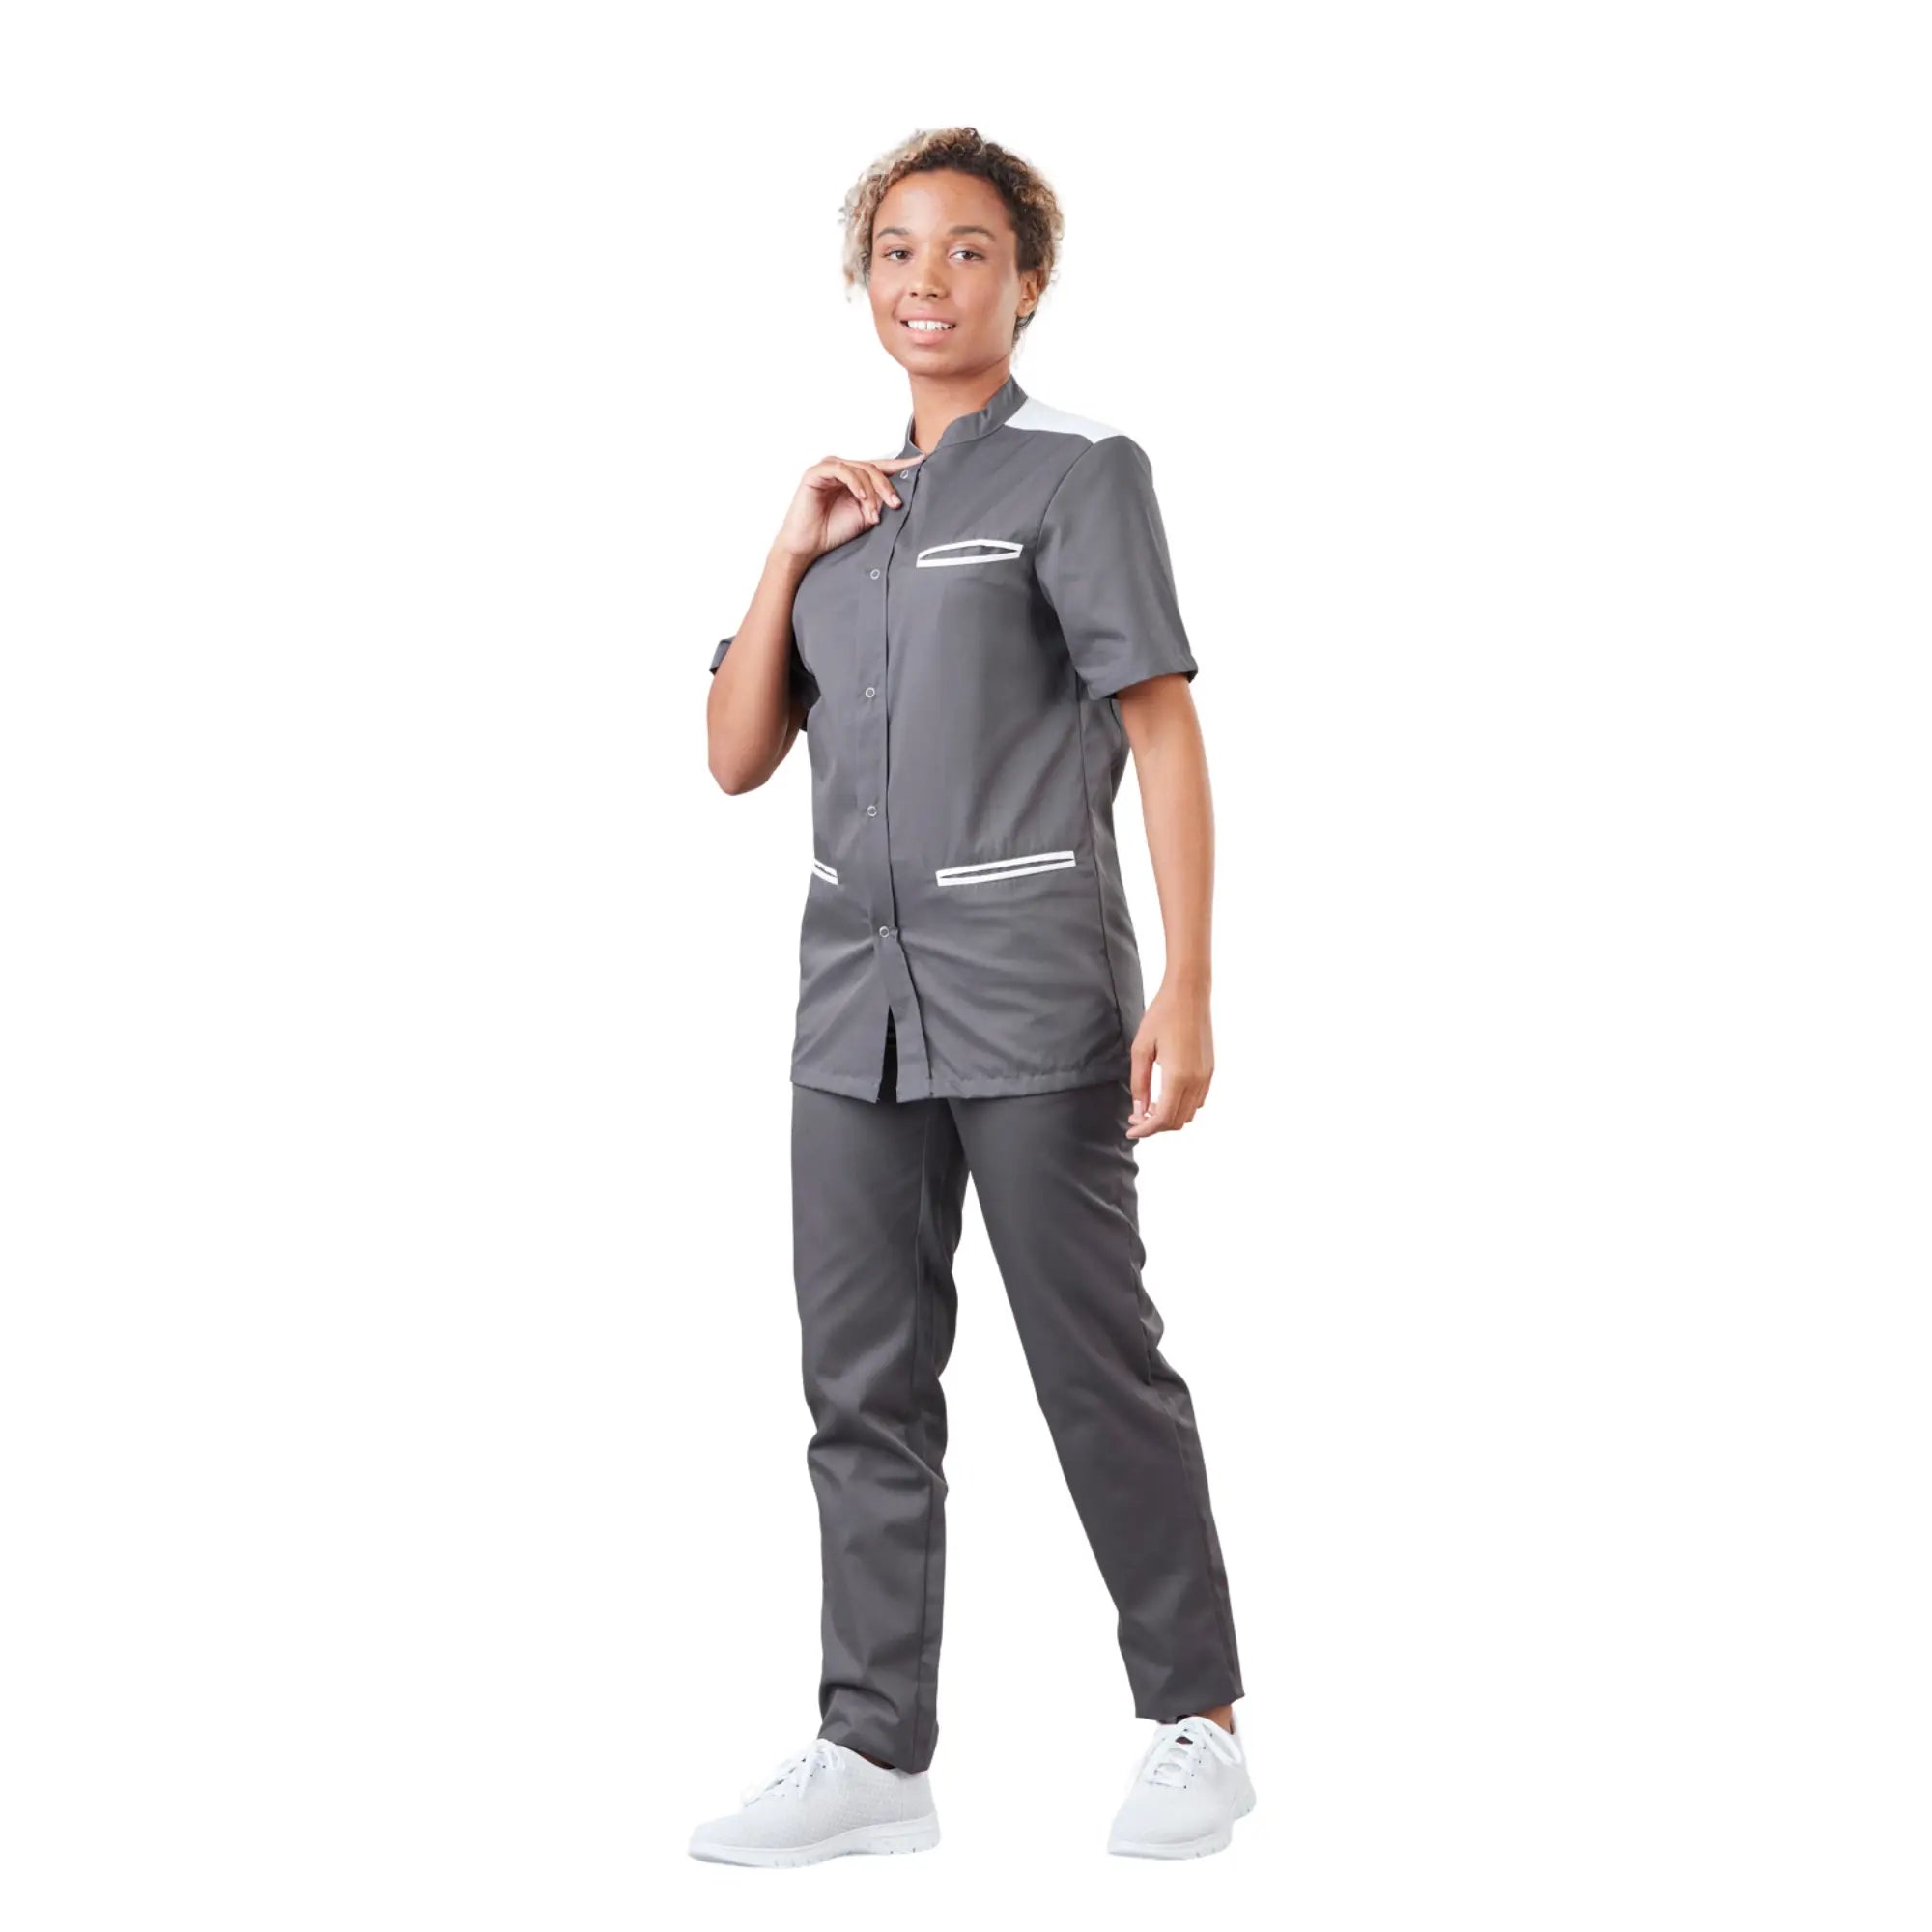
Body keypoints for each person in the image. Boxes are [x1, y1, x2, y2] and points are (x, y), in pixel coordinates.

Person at [691, 128, 1252, 1866]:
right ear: (862, 281)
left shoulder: (1082, 475)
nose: (927, 281)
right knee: (859, 1387)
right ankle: (872, 1750)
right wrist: (784, 548)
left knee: (1096, 1364)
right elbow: (731, 756)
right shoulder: (845, 514)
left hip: (1031, 1000)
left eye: (969, 251)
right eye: (897, 252)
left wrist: (1191, 983)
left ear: (1028, 280)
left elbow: (1163, 730)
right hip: (850, 1011)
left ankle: (1197, 1722)